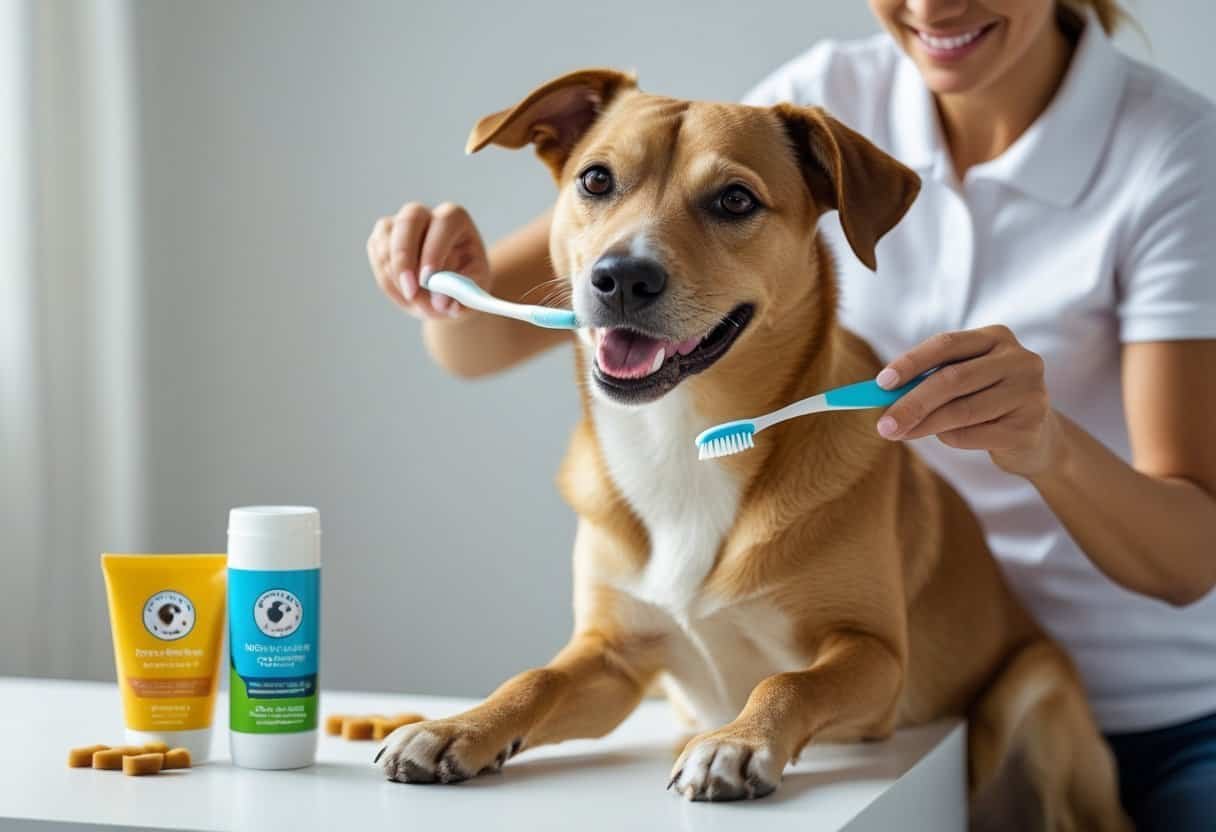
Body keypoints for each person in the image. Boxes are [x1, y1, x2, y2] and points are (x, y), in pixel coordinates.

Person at [366, 1, 1216, 827]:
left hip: (1148, 713)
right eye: (597, 183)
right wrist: (440, 275)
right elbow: (479, 341)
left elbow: (1192, 563)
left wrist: (1047, 443)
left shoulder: (1174, 153)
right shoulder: (811, 97)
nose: (934, 5)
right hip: (882, 753)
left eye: (730, 203)